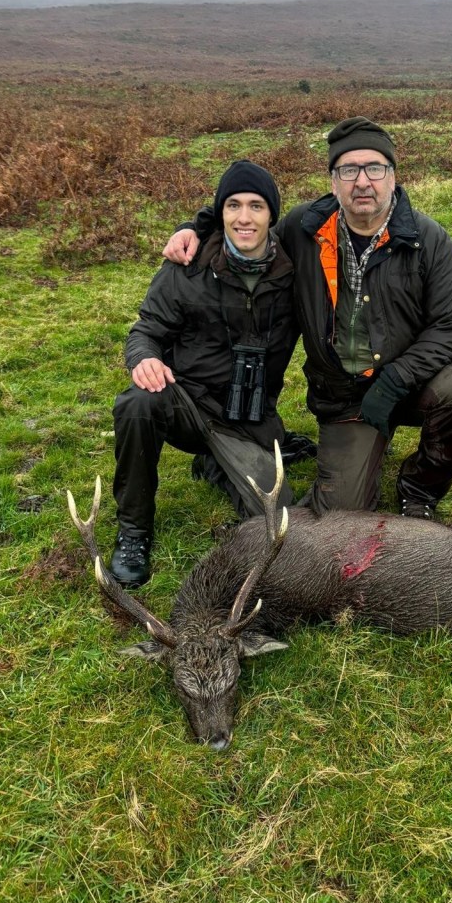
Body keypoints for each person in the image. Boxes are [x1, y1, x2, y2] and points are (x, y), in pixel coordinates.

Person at [163, 118, 452, 520]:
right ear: (333, 183)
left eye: (374, 168)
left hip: (411, 384)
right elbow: (249, 230)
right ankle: (360, 446)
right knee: (340, 516)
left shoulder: (428, 239)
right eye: (348, 170)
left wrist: (395, 380)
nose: (362, 182)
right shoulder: (304, 229)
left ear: (393, 177)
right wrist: (195, 228)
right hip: (345, 400)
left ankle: (419, 492)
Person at [111, 160, 298, 587]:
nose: (244, 218)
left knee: (279, 523)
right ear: (220, 213)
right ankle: (134, 531)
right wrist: (144, 358)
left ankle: (215, 465)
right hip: (189, 406)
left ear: (272, 215)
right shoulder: (187, 267)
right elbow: (146, 330)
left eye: (256, 206)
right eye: (233, 205)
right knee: (138, 402)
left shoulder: (294, 272)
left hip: (247, 419)